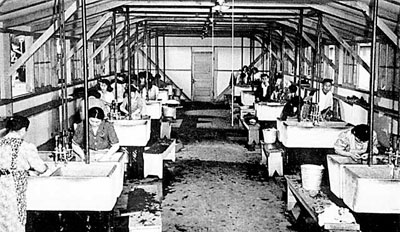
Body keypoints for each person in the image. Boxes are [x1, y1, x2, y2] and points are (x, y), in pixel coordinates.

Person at [0, 115, 47, 231]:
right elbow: (40, 168)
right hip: (14, 186)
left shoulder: (0, 143)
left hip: (1, 184)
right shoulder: (25, 146)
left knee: (2, 220)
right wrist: (45, 167)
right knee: (16, 220)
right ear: (23, 130)